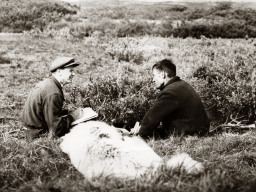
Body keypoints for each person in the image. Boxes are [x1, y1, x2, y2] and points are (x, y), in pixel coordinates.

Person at [130, 59, 210, 139]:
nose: (153, 80)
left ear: (162, 74)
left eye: (154, 75)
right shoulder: (181, 85)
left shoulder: (170, 92)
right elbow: (156, 113)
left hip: (191, 134)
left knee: (148, 134)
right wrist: (141, 124)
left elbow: (153, 116)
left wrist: (141, 132)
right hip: (200, 130)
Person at [20, 57, 82, 141]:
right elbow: (56, 129)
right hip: (38, 137)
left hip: (32, 131)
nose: (73, 74)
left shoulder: (49, 83)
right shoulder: (53, 92)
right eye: (70, 71)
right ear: (59, 72)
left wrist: (67, 112)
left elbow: (45, 112)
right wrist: (73, 116)